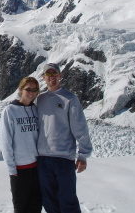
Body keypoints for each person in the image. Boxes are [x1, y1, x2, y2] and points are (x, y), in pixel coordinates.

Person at [36, 63, 92, 213]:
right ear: (43, 77)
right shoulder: (39, 99)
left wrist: (83, 155)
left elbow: (79, 127)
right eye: (48, 74)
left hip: (64, 158)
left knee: (68, 200)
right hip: (43, 159)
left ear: (60, 76)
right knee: (48, 201)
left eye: (54, 74)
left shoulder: (69, 98)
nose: (52, 77)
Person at [0, 76, 42, 213]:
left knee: (36, 206)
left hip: (36, 169)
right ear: (20, 90)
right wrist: (11, 169)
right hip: (20, 170)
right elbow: (5, 141)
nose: (31, 93)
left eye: (34, 89)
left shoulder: (36, 110)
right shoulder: (10, 111)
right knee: (20, 207)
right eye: (28, 89)